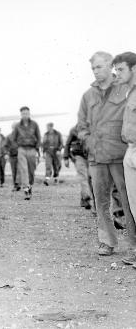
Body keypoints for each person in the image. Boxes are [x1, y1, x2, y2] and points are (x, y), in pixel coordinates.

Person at [77, 51, 136, 256]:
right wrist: (89, 141)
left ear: (110, 66)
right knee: (101, 201)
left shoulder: (125, 89)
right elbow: (81, 125)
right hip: (97, 158)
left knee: (129, 202)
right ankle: (107, 242)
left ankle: (134, 244)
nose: (96, 71)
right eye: (93, 68)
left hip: (120, 156)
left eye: (100, 67)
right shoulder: (88, 96)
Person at [111, 51, 136, 264]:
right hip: (130, 148)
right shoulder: (130, 93)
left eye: (121, 69)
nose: (117, 74)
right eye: (115, 70)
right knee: (134, 204)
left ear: (134, 69)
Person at [11, 106, 41, 200]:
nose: (25, 115)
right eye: (23, 113)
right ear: (21, 114)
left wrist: (37, 148)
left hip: (32, 149)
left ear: (29, 114)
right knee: (23, 169)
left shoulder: (34, 124)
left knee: (31, 170)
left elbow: (39, 137)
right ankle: (26, 189)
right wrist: (17, 147)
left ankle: (30, 185)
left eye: (27, 113)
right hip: (22, 149)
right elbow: (13, 138)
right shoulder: (17, 126)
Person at [64, 126, 93, 209]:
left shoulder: (93, 126)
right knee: (83, 177)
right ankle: (87, 196)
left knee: (90, 178)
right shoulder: (74, 129)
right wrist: (66, 157)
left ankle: (84, 199)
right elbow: (67, 144)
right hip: (78, 156)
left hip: (91, 156)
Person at [5, 122, 20, 191]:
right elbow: (6, 146)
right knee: (14, 171)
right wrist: (6, 153)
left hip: (20, 156)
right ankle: (15, 185)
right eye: (14, 127)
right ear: (12, 128)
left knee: (19, 171)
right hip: (12, 156)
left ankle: (18, 184)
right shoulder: (8, 136)